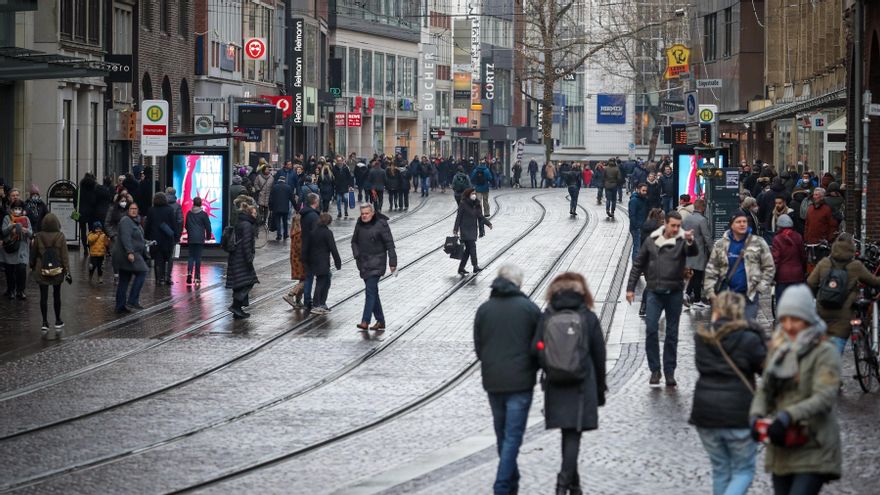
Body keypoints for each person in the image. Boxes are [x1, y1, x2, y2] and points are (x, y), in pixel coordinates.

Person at [749, 284, 841, 495]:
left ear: (808, 320)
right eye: (784, 319)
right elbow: (766, 390)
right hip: (782, 445)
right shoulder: (777, 349)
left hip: (813, 445)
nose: (789, 326)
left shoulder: (824, 351)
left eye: (795, 319)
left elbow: (824, 396)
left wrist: (788, 416)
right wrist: (756, 415)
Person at [532, 272, 606, 495]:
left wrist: (550, 366)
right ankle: (562, 484)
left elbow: (536, 347)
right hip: (583, 383)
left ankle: (574, 484)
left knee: (568, 432)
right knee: (573, 433)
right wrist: (600, 388)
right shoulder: (588, 317)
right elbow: (599, 354)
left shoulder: (547, 315)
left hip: (556, 383)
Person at [691, 291, 767, 495]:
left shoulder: (702, 337)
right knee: (743, 471)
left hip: (705, 413)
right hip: (737, 414)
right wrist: (759, 333)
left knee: (720, 470)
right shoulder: (749, 339)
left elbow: (701, 366)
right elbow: (766, 368)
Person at [474, 264, 541, 495]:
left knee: (502, 433)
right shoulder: (530, 309)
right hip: (521, 383)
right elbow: (539, 346)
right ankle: (502, 487)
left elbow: (479, 348)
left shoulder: (484, 310)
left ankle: (511, 480)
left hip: (493, 381)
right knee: (512, 435)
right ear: (518, 284)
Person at [626, 211, 697, 386]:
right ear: (665, 224)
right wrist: (630, 288)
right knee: (651, 329)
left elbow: (693, 252)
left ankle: (669, 371)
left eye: (678, 226)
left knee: (672, 334)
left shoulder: (682, 240)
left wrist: (689, 240)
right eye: (672, 225)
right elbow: (638, 264)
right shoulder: (652, 240)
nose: (675, 229)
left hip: (674, 292)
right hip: (654, 292)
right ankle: (655, 370)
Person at [806, 235, 880, 355]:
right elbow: (873, 281)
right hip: (844, 315)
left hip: (822, 310)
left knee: (823, 348)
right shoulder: (855, 266)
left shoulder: (824, 263)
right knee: (836, 352)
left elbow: (810, 283)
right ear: (852, 248)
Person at [704, 213, 775, 321]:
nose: (742, 224)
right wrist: (710, 292)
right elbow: (712, 269)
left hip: (749, 295)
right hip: (727, 294)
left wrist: (760, 287)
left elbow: (769, 267)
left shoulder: (758, 242)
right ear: (731, 225)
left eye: (744, 222)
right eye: (738, 222)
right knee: (728, 329)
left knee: (746, 328)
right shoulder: (721, 244)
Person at [352, 203, 396, 331]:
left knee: (370, 291)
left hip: (377, 262)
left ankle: (365, 320)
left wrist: (392, 262)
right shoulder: (359, 224)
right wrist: (357, 255)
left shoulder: (381, 224)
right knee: (373, 292)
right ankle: (380, 320)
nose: (364, 216)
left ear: (372, 213)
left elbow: (390, 243)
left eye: (366, 213)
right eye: (362, 214)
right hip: (363, 263)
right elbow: (354, 241)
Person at [30, 213, 71, 339]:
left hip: (41, 269)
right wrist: (67, 270)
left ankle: (44, 322)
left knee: (43, 297)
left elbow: (33, 253)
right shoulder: (60, 236)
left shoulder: (38, 236)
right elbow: (64, 256)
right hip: (57, 270)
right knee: (56, 295)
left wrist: (32, 266)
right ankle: (58, 320)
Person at [302, 213, 342, 315]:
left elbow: (306, 247)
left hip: (312, 261)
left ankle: (322, 303)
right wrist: (338, 262)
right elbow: (333, 249)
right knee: (321, 281)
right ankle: (317, 304)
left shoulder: (313, 232)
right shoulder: (327, 233)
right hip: (322, 261)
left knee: (326, 279)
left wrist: (305, 260)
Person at [113, 202, 149, 313]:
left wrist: (147, 242)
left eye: (135, 208)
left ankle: (120, 306)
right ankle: (132, 300)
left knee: (124, 279)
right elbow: (125, 237)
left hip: (132, 253)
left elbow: (137, 238)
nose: (134, 210)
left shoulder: (136, 222)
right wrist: (130, 252)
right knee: (142, 271)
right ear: (128, 210)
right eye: (131, 208)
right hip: (129, 254)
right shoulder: (126, 221)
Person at [226, 204, 259, 319]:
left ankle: (238, 309)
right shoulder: (247, 225)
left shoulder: (241, 222)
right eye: (254, 213)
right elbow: (246, 243)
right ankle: (236, 306)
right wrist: (249, 259)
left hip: (236, 257)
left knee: (240, 283)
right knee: (248, 281)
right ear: (249, 214)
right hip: (242, 258)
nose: (256, 215)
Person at [453, 188, 493, 276]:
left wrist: (488, 223)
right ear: (468, 194)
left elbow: (480, 216)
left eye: (475, 193)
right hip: (465, 230)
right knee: (472, 247)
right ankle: (475, 266)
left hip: (473, 229)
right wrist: (456, 229)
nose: (474, 195)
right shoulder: (463, 204)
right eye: (472, 193)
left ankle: (461, 268)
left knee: (467, 251)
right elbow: (458, 217)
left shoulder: (476, 204)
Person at [683, 199, 713, 309]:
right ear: (703, 208)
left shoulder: (687, 218)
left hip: (689, 250)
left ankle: (686, 294)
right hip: (699, 252)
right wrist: (713, 251)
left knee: (693, 274)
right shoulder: (702, 220)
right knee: (698, 275)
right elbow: (707, 237)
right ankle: (697, 300)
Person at [144, 192, 178, 285]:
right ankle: (168, 277)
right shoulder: (170, 210)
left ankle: (159, 278)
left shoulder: (151, 210)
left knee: (158, 259)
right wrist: (176, 236)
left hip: (155, 239)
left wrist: (146, 236)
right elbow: (174, 224)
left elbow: (148, 225)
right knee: (168, 258)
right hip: (167, 239)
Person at [771, 214, 805, 306]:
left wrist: (773, 276)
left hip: (782, 276)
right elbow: (802, 256)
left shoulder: (777, 239)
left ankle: (781, 319)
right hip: (798, 275)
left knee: (782, 303)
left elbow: (775, 259)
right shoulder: (798, 237)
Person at [2, 199, 31, 299]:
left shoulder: (26, 219)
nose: (17, 210)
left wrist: (25, 230)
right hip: (10, 249)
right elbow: (3, 232)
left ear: (22, 209)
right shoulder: (7, 218)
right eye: (15, 208)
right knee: (10, 271)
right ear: (12, 209)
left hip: (22, 249)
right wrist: (12, 226)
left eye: (19, 208)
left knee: (22, 270)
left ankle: (21, 290)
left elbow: (31, 234)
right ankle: (11, 290)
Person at [184, 197, 212, 285]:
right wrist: (208, 237)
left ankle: (189, 272)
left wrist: (189, 233)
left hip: (191, 238)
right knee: (198, 257)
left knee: (191, 256)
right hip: (200, 238)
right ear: (200, 204)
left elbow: (186, 225)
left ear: (193, 203)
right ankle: (197, 276)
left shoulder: (189, 213)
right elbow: (208, 226)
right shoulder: (203, 214)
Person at [299, 193, 320, 311]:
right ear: (315, 202)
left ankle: (307, 299)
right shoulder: (313, 216)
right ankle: (314, 300)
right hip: (313, 250)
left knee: (308, 277)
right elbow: (315, 234)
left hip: (305, 248)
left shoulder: (305, 214)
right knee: (321, 276)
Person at [283, 214, 307, 309]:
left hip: (296, 260)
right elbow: (301, 249)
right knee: (306, 279)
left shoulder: (294, 232)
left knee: (302, 279)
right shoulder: (299, 234)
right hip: (300, 261)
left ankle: (298, 300)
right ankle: (290, 294)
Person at [268, 176, 295, 241]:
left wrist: (270, 208)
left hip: (276, 208)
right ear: (284, 180)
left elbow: (271, 199)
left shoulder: (274, 187)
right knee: (285, 221)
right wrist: (296, 207)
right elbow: (292, 199)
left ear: (278, 180)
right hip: (285, 208)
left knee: (278, 222)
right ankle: (285, 234)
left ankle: (279, 235)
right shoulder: (288, 187)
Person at [627, 183, 649, 260]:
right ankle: (635, 267)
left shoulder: (644, 199)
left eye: (646, 191)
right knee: (637, 248)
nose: (645, 192)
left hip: (643, 227)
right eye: (643, 190)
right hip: (637, 228)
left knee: (640, 247)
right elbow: (632, 215)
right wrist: (637, 226)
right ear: (638, 190)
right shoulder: (634, 200)